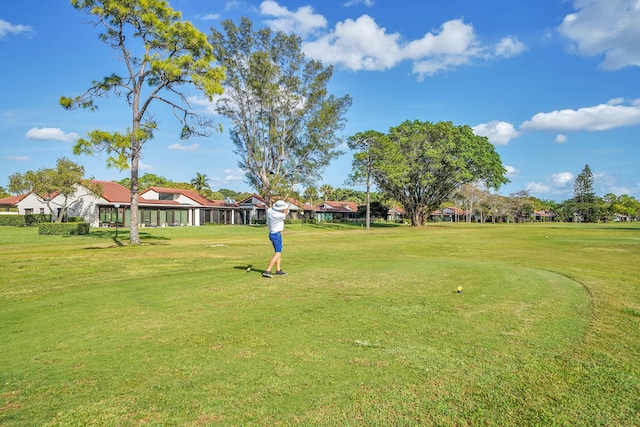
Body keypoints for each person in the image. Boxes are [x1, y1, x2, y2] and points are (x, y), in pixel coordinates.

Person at [263, 200, 289, 278]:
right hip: (276, 235)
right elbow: (286, 212)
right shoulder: (279, 216)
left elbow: (283, 210)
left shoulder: (270, 211)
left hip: (273, 234)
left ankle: (278, 270)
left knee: (279, 252)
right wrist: (286, 207)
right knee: (277, 253)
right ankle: (267, 271)